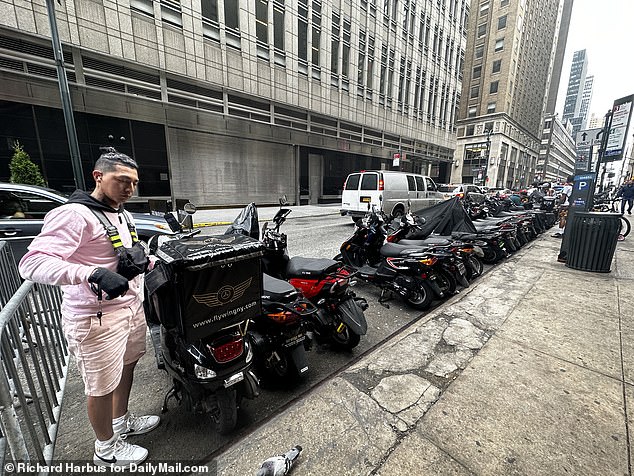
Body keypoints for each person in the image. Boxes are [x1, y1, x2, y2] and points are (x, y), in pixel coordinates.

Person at [18, 147, 159, 468]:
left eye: (134, 182)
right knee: (100, 386)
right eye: (121, 180)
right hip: (95, 320)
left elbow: (119, 255)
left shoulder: (121, 212)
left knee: (127, 367)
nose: (129, 188)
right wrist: (90, 273)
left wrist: (149, 262)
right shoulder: (74, 215)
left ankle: (121, 426)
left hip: (129, 310)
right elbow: (32, 263)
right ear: (98, 176)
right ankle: (106, 449)